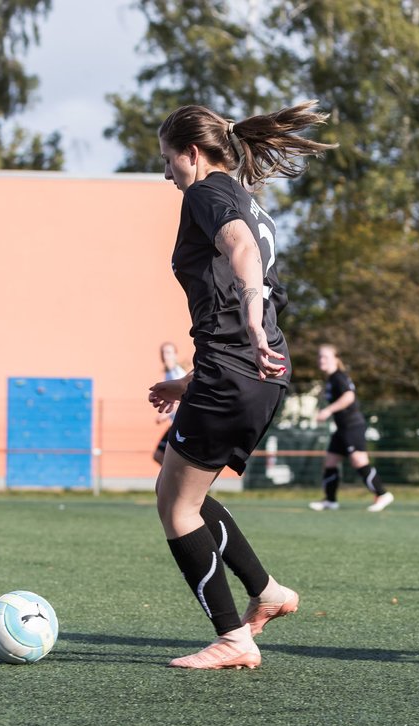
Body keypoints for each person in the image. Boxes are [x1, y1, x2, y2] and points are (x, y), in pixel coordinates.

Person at [148, 100, 334, 669]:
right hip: (251, 371)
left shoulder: (207, 192)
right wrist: (189, 381)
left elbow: (242, 254)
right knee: (191, 497)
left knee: (175, 507)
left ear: (194, 154)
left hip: (235, 367)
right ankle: (268, 592)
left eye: (168, 160)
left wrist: (251, 319)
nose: (166, 173)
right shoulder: (249, 200)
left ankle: (233, 638)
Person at [310, 344, 395, 512]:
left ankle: (382, 493)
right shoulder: (331, 379)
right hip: (342, 428)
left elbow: (349, 397)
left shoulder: (338, 377)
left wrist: (327, 411)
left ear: (336, 359)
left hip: (352, 426)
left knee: (359, 461)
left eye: (325, 357)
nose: (321, 360)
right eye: (320, 357)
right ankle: (330, 500)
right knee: (330, 462)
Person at [152, 342, 189, 466]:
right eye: (163, 353)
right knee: (160, 456)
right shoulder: (169, 373)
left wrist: (165, 415)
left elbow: (183, 398)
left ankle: (174, 480)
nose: (165, 356)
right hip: (175, 424)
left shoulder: (177, 374)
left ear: (175, 355)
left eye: (168, 352)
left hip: (182, 423)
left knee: (161, 456)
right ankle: (173, 480)